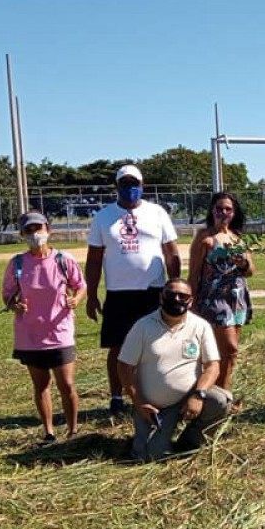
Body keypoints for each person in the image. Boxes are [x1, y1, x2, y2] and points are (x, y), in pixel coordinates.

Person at [85, 165, 181, 419]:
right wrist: (92, 294)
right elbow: (94, 259)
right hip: (119, 293)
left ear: (142, 185)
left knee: (157, 345)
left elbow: (171, 251)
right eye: (125, 184)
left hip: (153, 291)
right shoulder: (104, 217)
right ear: (117, 187)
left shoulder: (157, 213)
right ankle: (117, 397)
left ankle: (156, 393)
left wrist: (176, 285)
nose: (130, 189)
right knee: (118, 347)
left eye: (134, 183)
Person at [118, 278, 231, 461]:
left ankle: (190, 442)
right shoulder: (142, 326)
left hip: (188, 397)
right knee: (150, 456)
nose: (177, 299)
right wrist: (138, 402)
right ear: (161, 297)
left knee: (220, 401)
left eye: (183, 296)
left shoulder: (201, 326)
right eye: (171, 294)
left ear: (191, 301)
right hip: (152, 407)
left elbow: (213, 366)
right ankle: (155, 442)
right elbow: (124, 366)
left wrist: (198, 395)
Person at [2, 211, 86, 445]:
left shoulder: (63, 260)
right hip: (30, 335)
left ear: (48, 229)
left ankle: (72, 431)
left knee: (67, 384)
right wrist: (14, 304)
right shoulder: (17, 263)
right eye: (28, 230)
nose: (34, 234)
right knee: (41, 385)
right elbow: (7, 294)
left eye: (38, 228)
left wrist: (76, 300)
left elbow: (80, 285)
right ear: (22, 234)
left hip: (60, 332)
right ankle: (49, 432)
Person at [188, 192, 255, 392]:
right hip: (214, 299)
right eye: (219, 208)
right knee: (230, 347)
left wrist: (244, 262)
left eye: (228, 209)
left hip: (237, 299)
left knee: (228, 353)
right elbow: (194, 271)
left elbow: (251, 271)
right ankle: (216, 393)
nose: (223, 212)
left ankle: (223, 393)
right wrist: (190, 300)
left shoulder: (239, 239)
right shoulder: (204, 237)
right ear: (212, 211)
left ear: (234, 213)